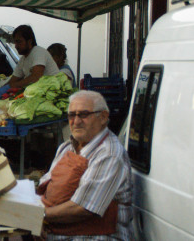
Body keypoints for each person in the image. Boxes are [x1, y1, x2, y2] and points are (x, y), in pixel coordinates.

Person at [36, 90, 132, 240]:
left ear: (103, 117)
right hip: (58, 232)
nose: (76, 121)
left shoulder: (109, 154)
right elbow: (45, 187)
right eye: (72, 115)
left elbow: (83, 208)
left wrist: (38, 216)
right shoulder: (66, 147)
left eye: (84, 114)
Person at [0, 25, 59, 99]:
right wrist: (2, 88)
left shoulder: (39, 52)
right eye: (15, 42)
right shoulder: (23, 59)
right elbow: (14, 79)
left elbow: (35, 77)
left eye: (19, 42)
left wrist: (10, 86)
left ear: (29, 41)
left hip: (54, 95)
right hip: (42, 95)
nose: (16, 46)